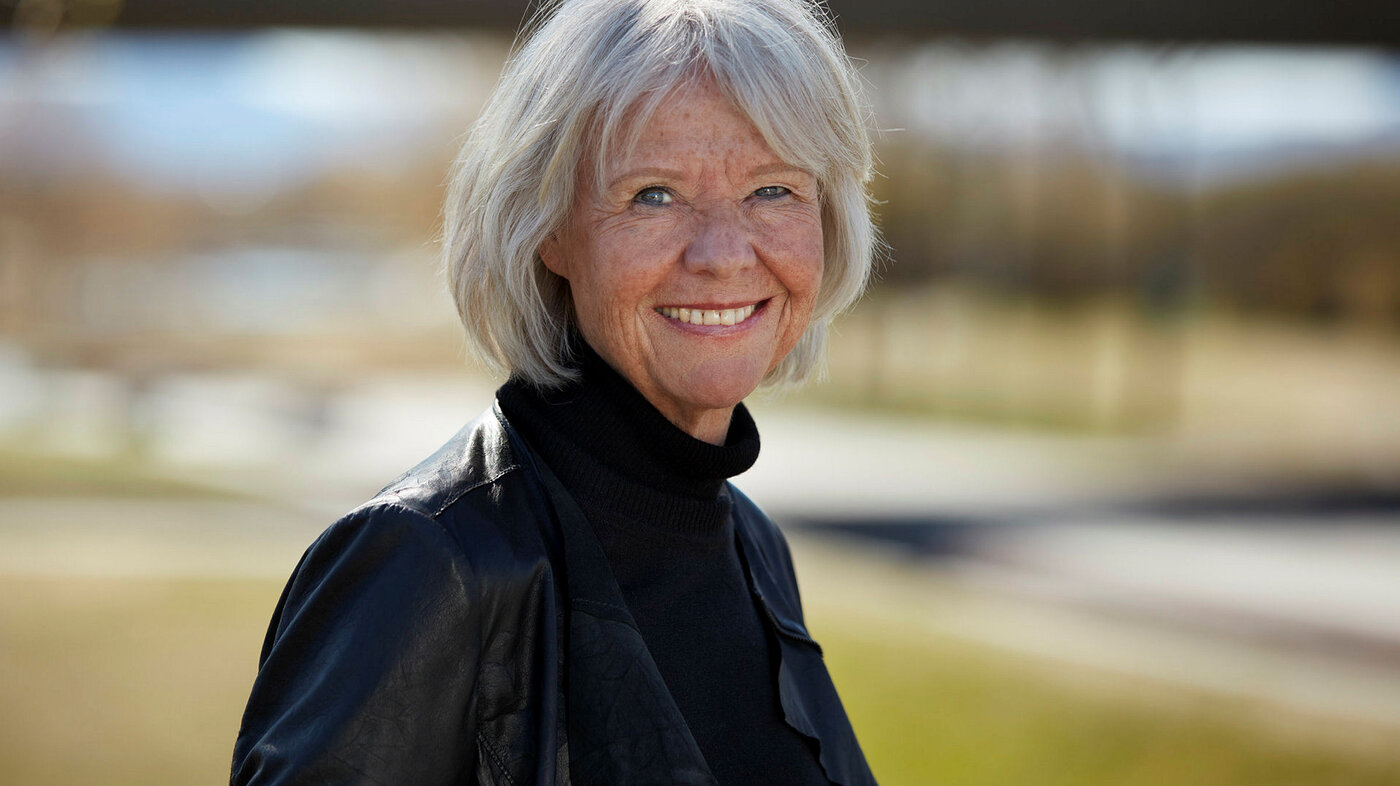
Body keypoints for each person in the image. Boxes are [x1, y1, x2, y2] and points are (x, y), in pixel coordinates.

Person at [231, 0, 879, 783]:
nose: (721, 254)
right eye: (654, 195)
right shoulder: (429, 562)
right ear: (547, 229)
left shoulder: (753, 547)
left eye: (772, 190)